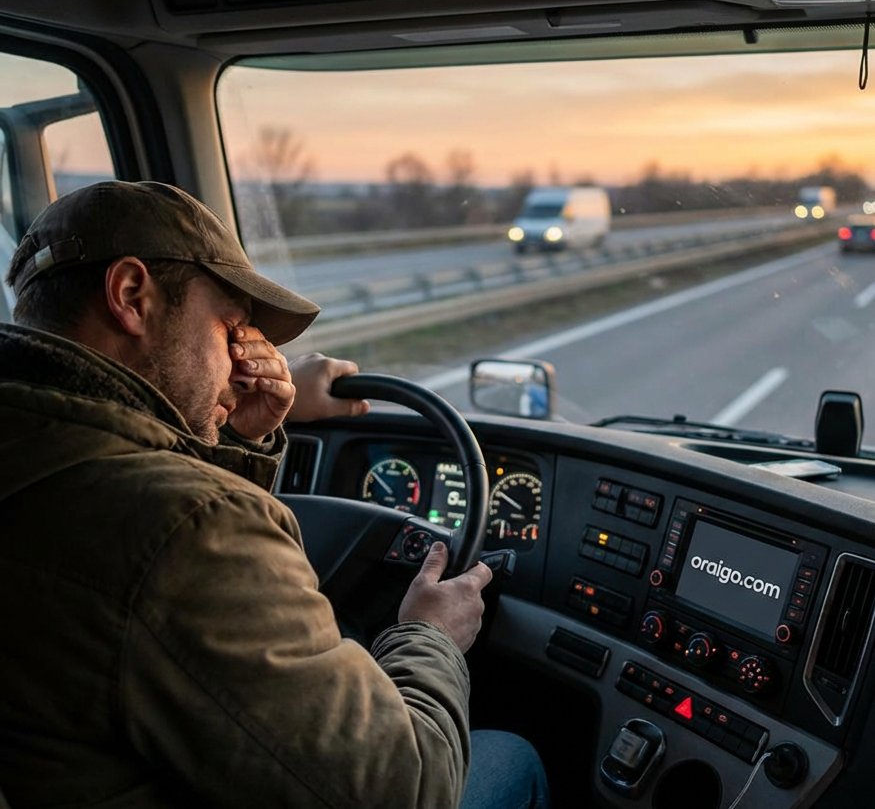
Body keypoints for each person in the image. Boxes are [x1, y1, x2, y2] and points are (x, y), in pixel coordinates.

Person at [0, 181, 548, 809]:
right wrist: (430, 637)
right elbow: (409, 787)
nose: (243, 362)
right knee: (513, 758)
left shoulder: (42, 453)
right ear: (131, 296)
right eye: (229, 328)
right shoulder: (193, 528)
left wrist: (231, 435)